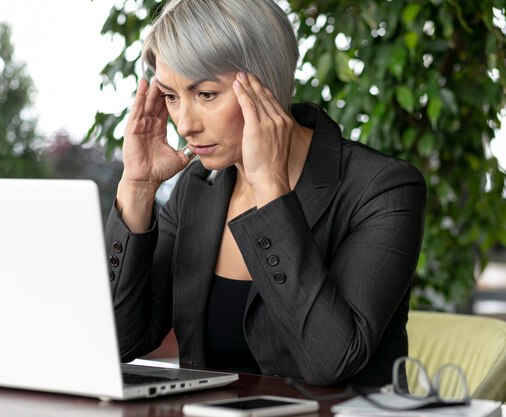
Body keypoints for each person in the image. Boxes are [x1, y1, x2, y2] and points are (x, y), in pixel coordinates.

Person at [104, 0, 426, 387]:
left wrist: (271, 190)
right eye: (171, 97)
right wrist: (137, 188)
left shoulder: (381, 188)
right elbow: (120, 342)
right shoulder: (197, 190)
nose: (185, 124)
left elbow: (332, 362)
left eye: (206, 94)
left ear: (265, 84)